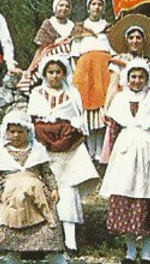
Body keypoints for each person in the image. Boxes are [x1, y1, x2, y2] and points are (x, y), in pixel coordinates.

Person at [0, 110, 85, 264]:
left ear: (28, 131)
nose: (16, 135)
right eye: (12, 131)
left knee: (48, 235)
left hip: (37, 199)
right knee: (12, 240)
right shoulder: (1, 151)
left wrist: (53, 188)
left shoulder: (36, 150)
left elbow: (46, 172)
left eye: (20, 132)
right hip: (12, 201)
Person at [99, 62, 150, 264]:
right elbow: (114, 131)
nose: (137, 81)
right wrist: (112, 158)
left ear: (146, 79)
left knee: (148, 197)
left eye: (141, 77)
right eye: (133, 76)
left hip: (147, 151)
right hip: (125, 152)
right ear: (128, 78)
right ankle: (130, 252)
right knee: (126, 196)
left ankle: (146, 253)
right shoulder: (119, 99)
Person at [27, 57, 100, 252]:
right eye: (50, 72)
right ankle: (42, 240)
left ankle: (70, 240)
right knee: (42, 189)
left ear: (64, 74)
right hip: (44, 147)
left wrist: (68, 139)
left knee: (67, 191)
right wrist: (44, 139)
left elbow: (79, 121)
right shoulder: (37, 93)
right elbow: (32, 121)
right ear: (44, 74)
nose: (54, 76)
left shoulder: (72, 94)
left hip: (68, 148)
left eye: (58, 72)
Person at [69, 0, 113, 152]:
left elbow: (113, 50)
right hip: (85, 70)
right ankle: (89, 148)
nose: (96, 7)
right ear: (88, 7)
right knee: (86, 106)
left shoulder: (107, 28)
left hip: (103, 69)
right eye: (93, 4)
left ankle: (101, 150)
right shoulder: (80, 28)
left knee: (101, 106)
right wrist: (77, 71)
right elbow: (74, 53)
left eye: (99, 4)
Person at [18, 0, 78, 91]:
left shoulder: (73, 26)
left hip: (69, 58)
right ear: (56, 7)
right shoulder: (48, 23)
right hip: (51, 57)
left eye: (67, 6)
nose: (64, 8)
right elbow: (42, 48)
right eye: (61, 5)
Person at [105, 16, 150, 104]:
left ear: (143, 41)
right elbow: (113, 87)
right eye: (131, 38)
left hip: (146, 104)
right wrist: (106, 110)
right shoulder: (118, 61)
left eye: (138, 38)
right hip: (124, 103)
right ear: (126, 41)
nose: (134, 41)